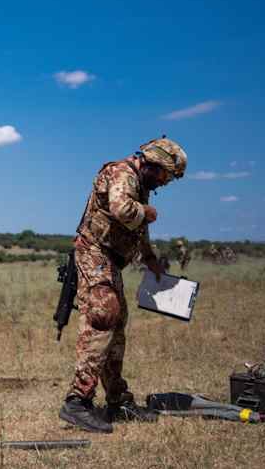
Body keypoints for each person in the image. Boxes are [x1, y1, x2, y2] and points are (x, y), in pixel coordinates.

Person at [58, 137, 187, 434]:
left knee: (115, 324)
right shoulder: (122, 173)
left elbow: (137, 230)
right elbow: (122, 210)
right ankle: (78, 402)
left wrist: (151, 259)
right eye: (166, 174)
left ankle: (118, 401)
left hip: (111, 261)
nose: (166, 182)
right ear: (155, 164)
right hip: (95, 254)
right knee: (103, 318)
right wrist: (148, 213)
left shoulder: (139, 185)